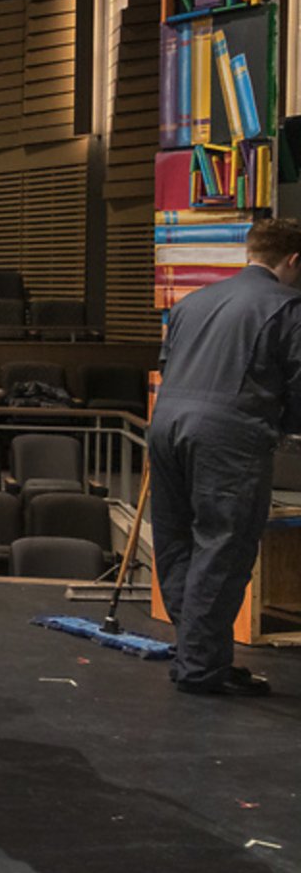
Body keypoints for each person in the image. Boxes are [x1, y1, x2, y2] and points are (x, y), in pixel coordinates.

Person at [150, 217, 301, 697]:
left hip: (166, 425)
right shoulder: (288, 306)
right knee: (224, 546)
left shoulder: (192, 302)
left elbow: (166, 364)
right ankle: (199, 666)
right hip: (228, 434)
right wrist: (283, 427)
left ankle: (200, 653)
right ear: (294, 259)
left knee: (176, 542)